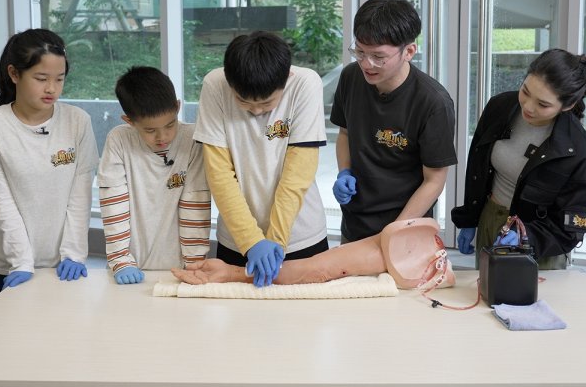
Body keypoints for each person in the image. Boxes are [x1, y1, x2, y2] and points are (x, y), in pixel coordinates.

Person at [194, 31, 328, 287]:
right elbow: (219, 175)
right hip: (237, 240)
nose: (256, 111)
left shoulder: (305, 84)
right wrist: (251, 241)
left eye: (267, 104)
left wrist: (275, 241)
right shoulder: (215, 85)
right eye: (242, 101)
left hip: (301, 238)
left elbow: (297, 176)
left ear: (287, 78)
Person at [0, 29, 99, 299]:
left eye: (59, 79)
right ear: (14, 74)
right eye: (41, 79)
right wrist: (21, 261)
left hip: (63, 264)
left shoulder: (78, 121)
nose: (51, 88)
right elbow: (0, 203)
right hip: (8, 262)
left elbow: (80, 196)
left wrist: (74, 253)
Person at [451, 48, 586, 269]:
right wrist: (470, 218)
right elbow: (477, 165)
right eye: (525, 91)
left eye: (543, 104)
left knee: (527, 292)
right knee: (486, 289)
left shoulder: (577, 151)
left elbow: (570, 231)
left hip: (539, 245)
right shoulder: (499, 108)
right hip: (490, 219)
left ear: (567, 105)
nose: (528, 106)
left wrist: (525, 236)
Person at [330, 0, 458, 243]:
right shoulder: (350, 78)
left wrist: (393, 233)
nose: (367, 64)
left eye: (378, 56)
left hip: (405, 229)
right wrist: (344, 171)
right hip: (355, 224)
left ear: (408, 51)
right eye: (360, 52)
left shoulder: (433, 102)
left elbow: (434, 180)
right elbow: (345, 133)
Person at [98, 66, 211, 285]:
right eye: (150, 130)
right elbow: (113, 205)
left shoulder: (192, 140)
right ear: (129, 121)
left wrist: (195, 263)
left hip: (181, 267)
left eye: (170, 125)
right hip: (130, 262)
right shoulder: (119, 141)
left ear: (177, 107)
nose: (163, 136)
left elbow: (196, 204)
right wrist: (120, 259)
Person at [172, 218, 454, 291]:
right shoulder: (396, 242)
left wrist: (232, 273)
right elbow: (319, 269)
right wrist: (231, 273)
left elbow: (320, 269)